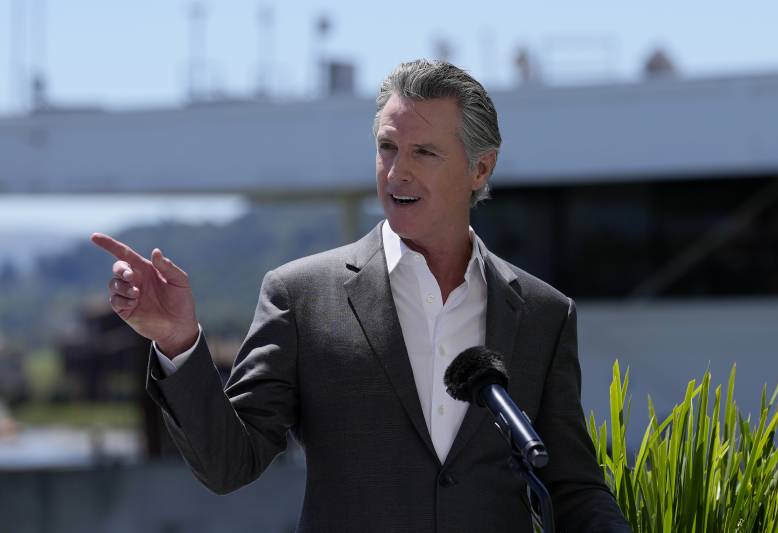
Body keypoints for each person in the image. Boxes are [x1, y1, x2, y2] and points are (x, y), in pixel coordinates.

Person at [92, 59, 631, 532]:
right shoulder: (300, 296)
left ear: (480, 167)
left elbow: (571, 485)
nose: (398, 171)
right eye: (387, 147)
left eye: (424, 152)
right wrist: (179, 341)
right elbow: (230, 465)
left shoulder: (543, 314)